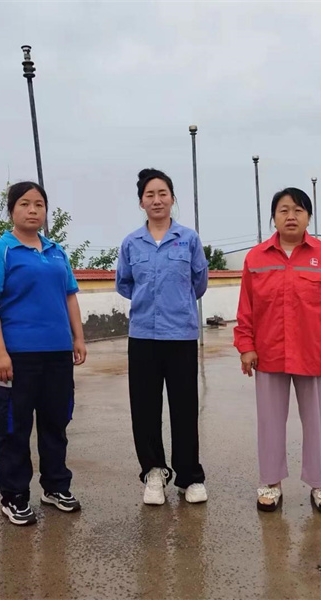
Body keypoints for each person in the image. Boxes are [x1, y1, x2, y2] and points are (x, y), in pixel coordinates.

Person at [0, 181, 87, 526]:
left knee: (56, 424)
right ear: (11, 210)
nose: (33, 210)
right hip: (17, 356)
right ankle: (14, 496)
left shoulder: (56, 252)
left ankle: (55, 487)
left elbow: (69, 296)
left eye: (39, 204)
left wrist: (78, 338)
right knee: (13, 428)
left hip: (57, 354)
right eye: (24, 203)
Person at [234, 187, 321, 513]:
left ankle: (319, 483)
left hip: (313, 354)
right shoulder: (256, 258)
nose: (291, 216)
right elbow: (246, 308)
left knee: (316, 422)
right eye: (283, 210)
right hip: (268, 353)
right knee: (270, 422)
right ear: (273, 217)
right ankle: (271, 483)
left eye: (298, 210)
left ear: (308, 217)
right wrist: (246, 346)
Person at [116, 168, 210, 506]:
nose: (157, 200)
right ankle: (154, 473)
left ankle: (189, 477)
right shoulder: (131, 243)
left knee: (184, 408)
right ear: (141, 202)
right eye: (150, 195)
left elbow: (199, 282)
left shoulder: (189, 239)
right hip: (143, 336)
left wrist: (175, 303)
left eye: (162, 194)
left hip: (180, 334)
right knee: (144, 408)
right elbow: (125, 283)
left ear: (172, 198)